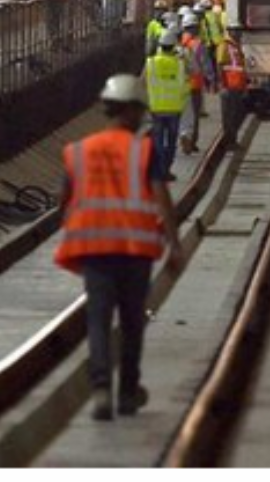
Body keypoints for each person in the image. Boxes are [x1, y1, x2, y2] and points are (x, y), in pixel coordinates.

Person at [54, 74, 183, 421]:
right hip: (134, 248)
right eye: (140, 110)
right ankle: (127, 392)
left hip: (94, 248)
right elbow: (162, 197)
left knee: (98, 319)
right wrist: (174, 244)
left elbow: (64, 200)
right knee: (131, 321)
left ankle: (100, 389)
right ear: (130, 110)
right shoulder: (143, 150)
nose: (142, 117)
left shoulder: (80, 150)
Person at [143, 29, 187, 183]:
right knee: (171, 142)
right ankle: (166, 170)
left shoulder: (151, 63)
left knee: (158, 142)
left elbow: (142, 83)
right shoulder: (179, 64)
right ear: (173, 46)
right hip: (174, 108)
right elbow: (185, 82)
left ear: (160, 45)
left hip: (156, 108)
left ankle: (160, 171)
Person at [177, 10, 213, 155]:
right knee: (195, 114)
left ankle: (183, 136)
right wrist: (210, 78)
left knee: (183, 114)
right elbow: (205, 63)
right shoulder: (198, 44)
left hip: (180, 85)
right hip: (195, 84)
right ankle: (192, 141)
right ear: (195, 28)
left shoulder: (178, 43)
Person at [216, 25, 250, 146]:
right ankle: (229, 141)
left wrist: (244, 86)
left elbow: (241, 68)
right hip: (229, 86)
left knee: (235, 114)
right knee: (229, 116)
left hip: (237, 86)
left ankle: (233, 139)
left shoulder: (236, 46)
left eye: (239, 30)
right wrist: (222, 85)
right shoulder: (224, 45)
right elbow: (220, 65)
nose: (238, 33)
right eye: (235, 30)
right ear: (230, 32)